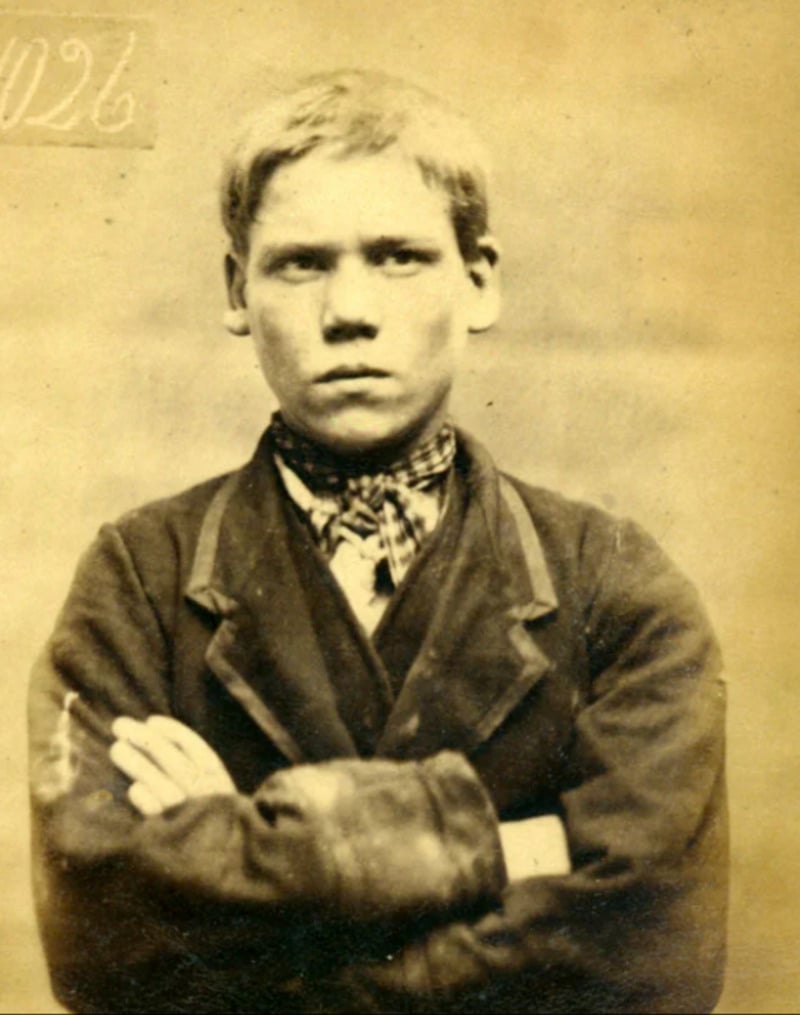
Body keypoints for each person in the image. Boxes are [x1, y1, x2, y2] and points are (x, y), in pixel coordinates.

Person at [28, 69, 728, 1014]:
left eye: (397, 255)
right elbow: (101, 941)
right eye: (301, 262)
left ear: (478, 282)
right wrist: (505, 843)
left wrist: (232, 836)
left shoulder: (615, 584)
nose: (347, 309)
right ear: (239, 290)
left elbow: (644, 954)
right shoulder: (140, 579)